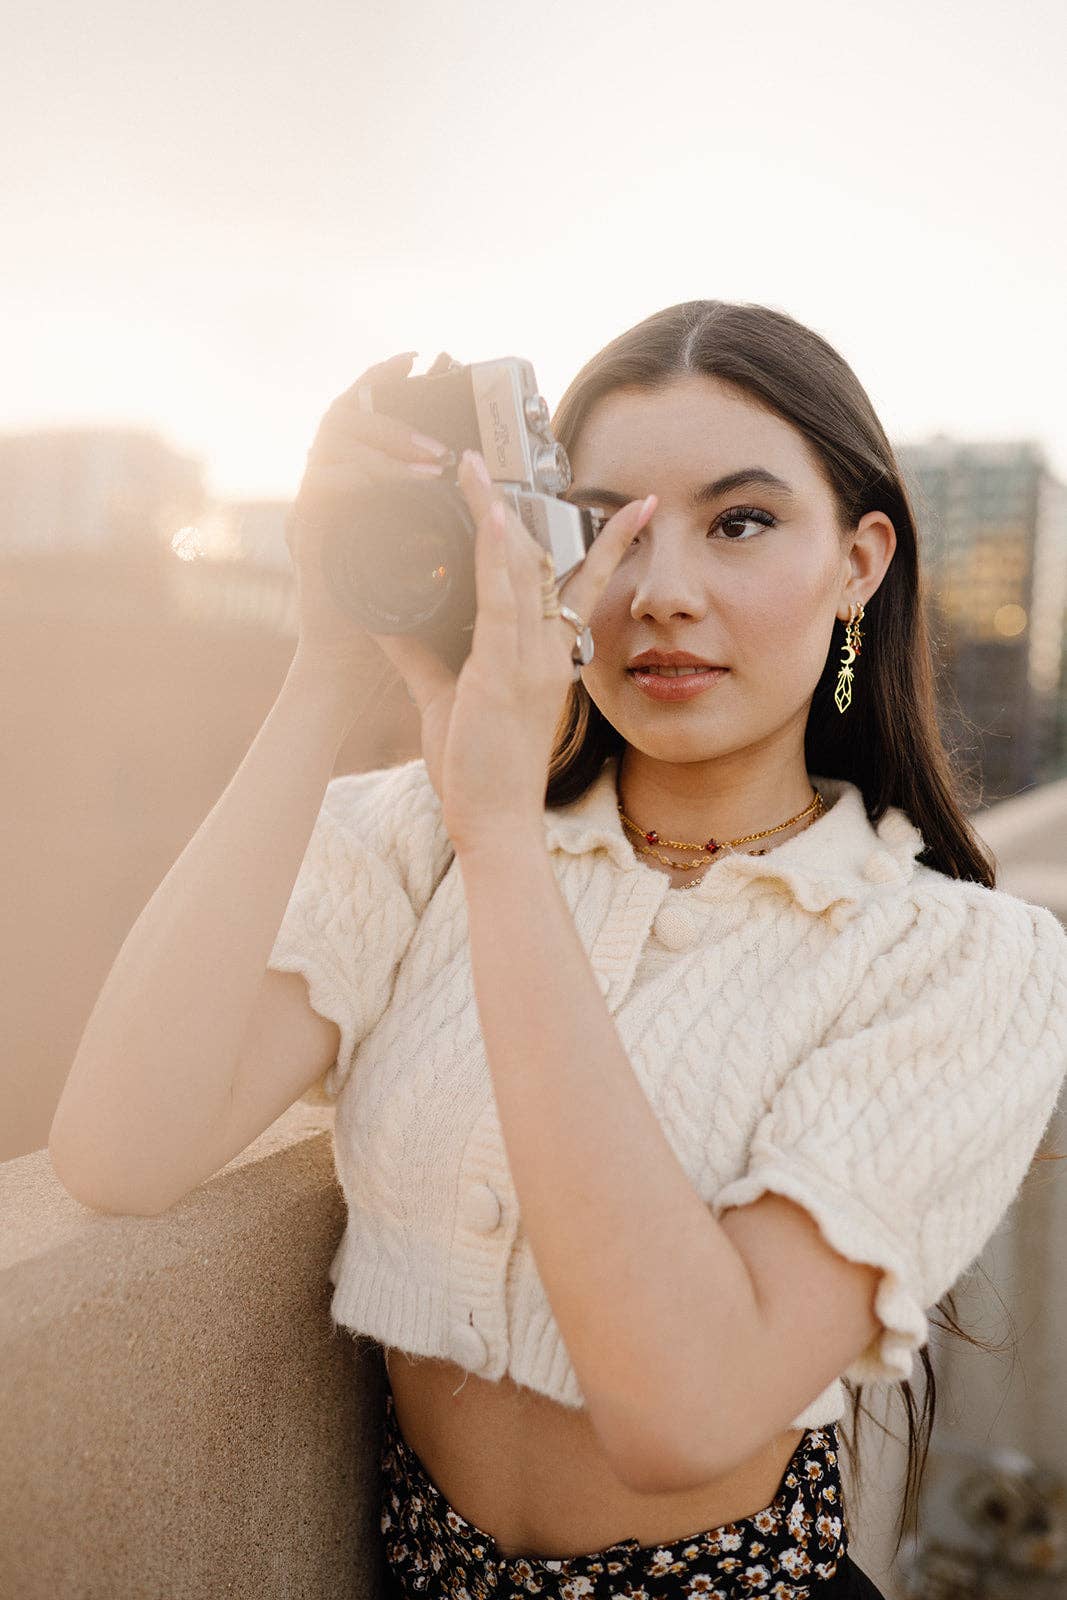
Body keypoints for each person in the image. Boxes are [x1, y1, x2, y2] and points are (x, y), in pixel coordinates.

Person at [50, 303, 1067, 1600]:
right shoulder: (419, 832)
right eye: (605, 524)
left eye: (739, 522)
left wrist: (503, 839)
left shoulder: (959, 960)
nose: (661, 591)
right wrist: (325, 665)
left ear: (861, 561)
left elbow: (685, 1411)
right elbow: (120, 1149)